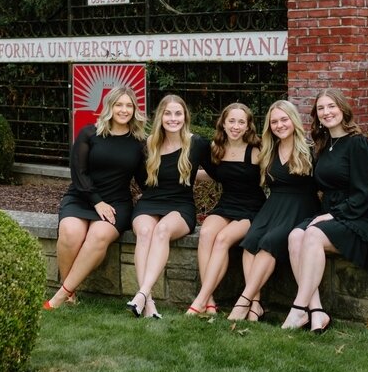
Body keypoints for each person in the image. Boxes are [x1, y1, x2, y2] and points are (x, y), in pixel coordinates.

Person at [282, 88, 368, 334]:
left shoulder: (358, 143)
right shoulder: (323, 145)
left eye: (331, 106)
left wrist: (333, 214)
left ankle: (298, 308)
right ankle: (317, 312)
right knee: (295, 236)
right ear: (317, 115)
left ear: (343, 109)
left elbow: (366, 192)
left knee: (312, 235)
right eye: (321, 108)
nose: (326, 112)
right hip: (331, 215)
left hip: (360, 217)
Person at [44, 86, 147, 310]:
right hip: (82, 196)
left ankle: (61, 295)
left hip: (116, 204)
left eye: (129, 105)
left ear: (135, 110)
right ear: (109, 106)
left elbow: (143, 179)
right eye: (119, 104)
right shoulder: (90, 133)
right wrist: (96, 201)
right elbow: (78, 172)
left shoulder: (138, 142)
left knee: (98, 236)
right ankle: (70, 293)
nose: (124, 110)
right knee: (71, 233)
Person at [226, 99, 318, 322]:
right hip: (273, 205)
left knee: (269, 243)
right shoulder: (268, 149)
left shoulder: (310, 149)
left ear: (293, 120)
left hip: (300, 205)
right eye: (274, 121)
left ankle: (243, 301)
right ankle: (256, 306)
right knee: (250, 243)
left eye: (284, 119)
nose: (279, 125)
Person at [127, 94, 209, 319]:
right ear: (160, 117)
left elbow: (218, 171)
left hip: (181, 205)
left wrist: (192, 175)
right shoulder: (148, 144)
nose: (173, 118)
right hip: (150, 201)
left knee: (162, 230)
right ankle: (149, 303)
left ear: (185, 116)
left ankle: (141, 294)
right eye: (168, 113)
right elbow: (140, 179)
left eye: (178, 113)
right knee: (144, 232)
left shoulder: (197, 143)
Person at [185, 103, 266, 316]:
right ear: (223, 122)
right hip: (227, 204)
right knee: (206, 233)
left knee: (222, 240)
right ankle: (209, 300)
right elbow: (218, 175)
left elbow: (274, 177)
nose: (236, 126)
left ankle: (199, 300)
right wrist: (188, 177)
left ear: (248, 126)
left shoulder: (256, 151)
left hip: (252, 208)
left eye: (241, 122)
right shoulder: (216, 149)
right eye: (232, 121)